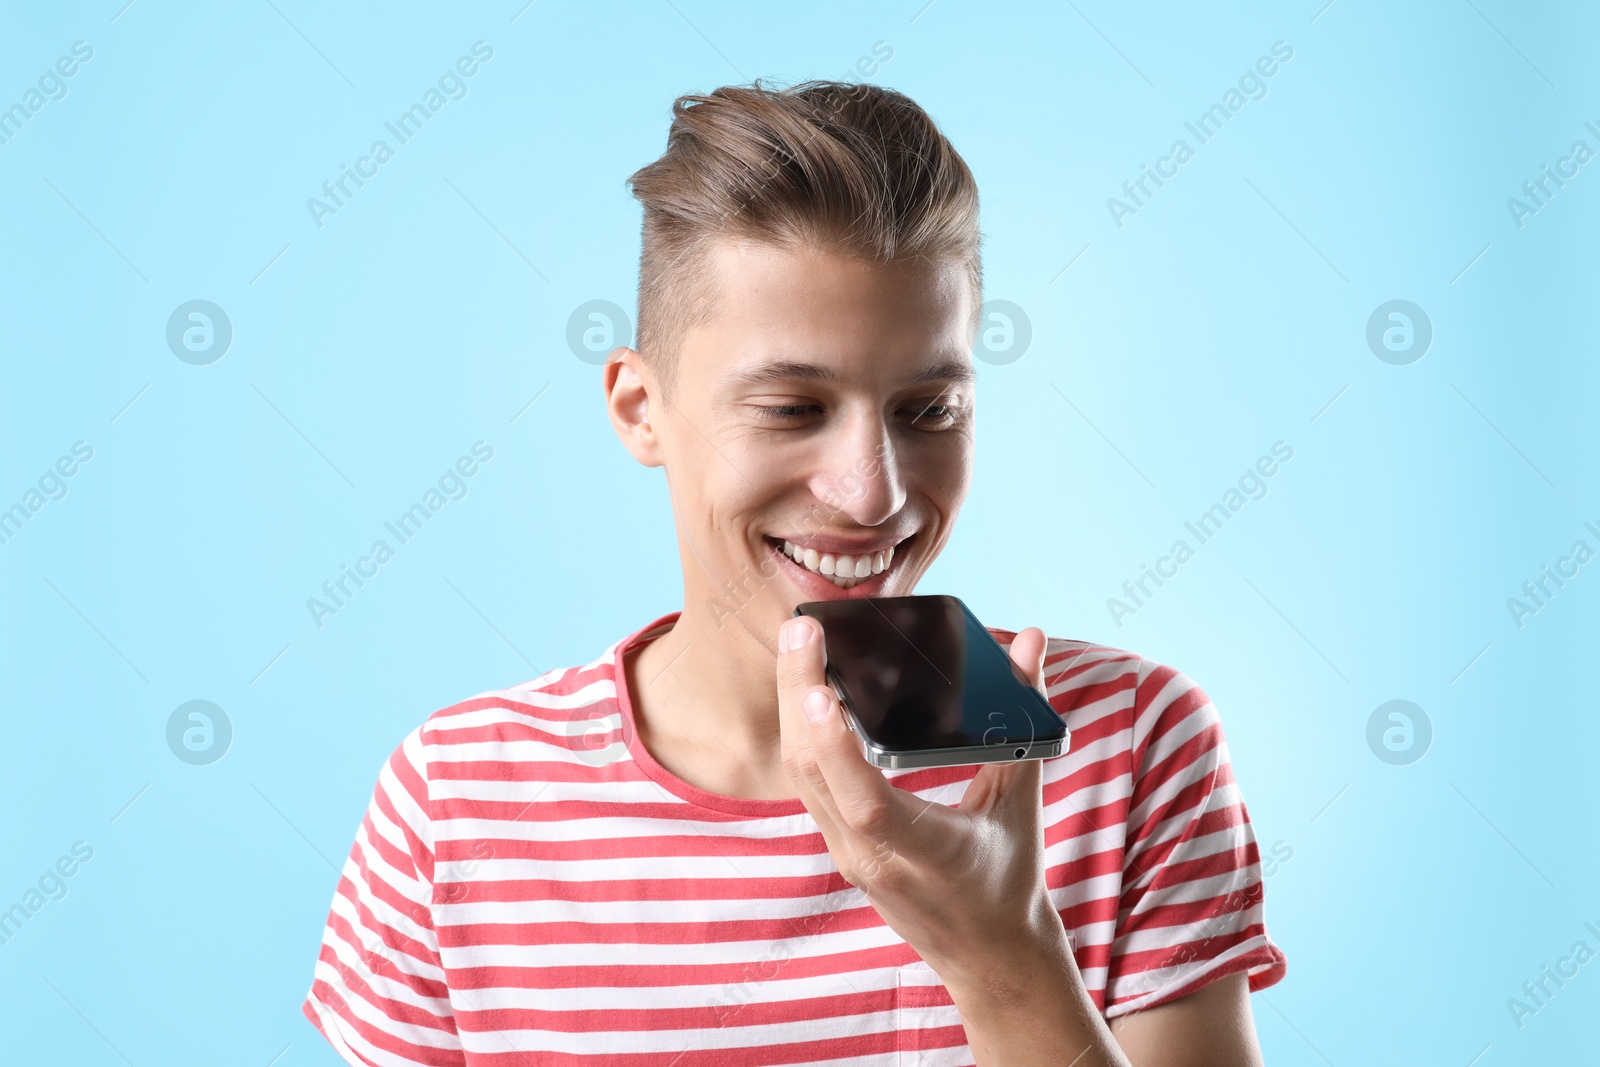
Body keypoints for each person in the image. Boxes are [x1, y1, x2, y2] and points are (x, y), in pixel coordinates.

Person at [301, 78, 1287, 1066]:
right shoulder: (458, 802)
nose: (871, 494)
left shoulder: (1129, 747)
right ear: (641, 409)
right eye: (793, 408)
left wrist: (1002, 957)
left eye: (925, 410)